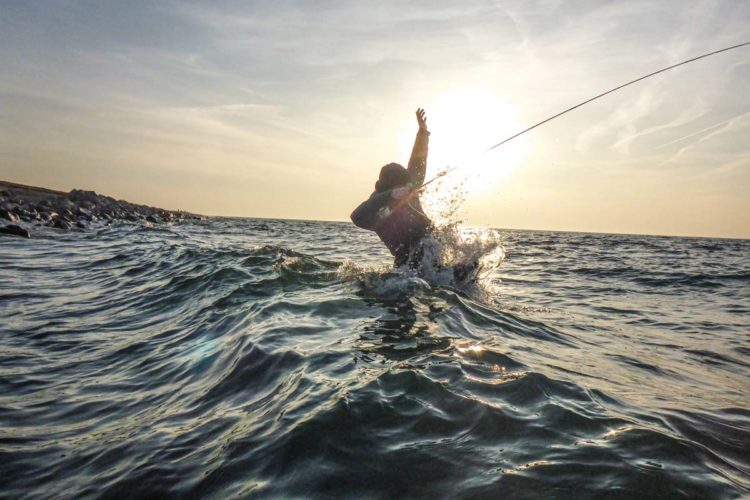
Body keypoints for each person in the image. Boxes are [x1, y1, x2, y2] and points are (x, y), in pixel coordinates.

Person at [350, 108, 433, 269]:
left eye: (408, 184)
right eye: (403, 186)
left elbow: (417, 162)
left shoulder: (409, 185)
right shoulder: (377, 204)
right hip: (407, 264)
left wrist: (422, 133)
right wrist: (391, 195)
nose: (408, 187)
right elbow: (356, 217)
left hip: (430, 248)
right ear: (392, 186)